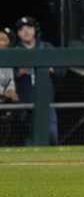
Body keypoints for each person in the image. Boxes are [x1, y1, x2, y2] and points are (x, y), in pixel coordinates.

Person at [14, 16, 65, 145]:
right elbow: (6, 76)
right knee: (29, 141)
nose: (26, 31)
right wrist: (19, 72)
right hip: (24, 103)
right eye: (21, 29)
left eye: (29, 28)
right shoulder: (14, 51)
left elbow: (62, 70)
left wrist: (50, 69)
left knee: (51, 136)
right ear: (18, 33)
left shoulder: (46, 47)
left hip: (46, 101)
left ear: (35, 30)